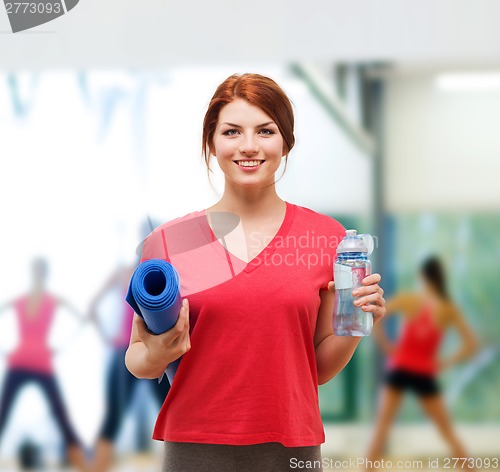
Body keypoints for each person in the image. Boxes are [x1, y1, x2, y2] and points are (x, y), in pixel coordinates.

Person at [125, 73, 386, 472]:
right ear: (212, 143)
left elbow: (314, 371)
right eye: (232, 132)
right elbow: (137, 359)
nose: (249, 146)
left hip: (290, 447)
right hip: (195, 446)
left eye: (265, 131)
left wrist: (356, 322)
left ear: (286, 142)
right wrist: (158, 353)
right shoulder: (170, 241)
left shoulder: (326, 238)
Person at [367, 256, 478, 469]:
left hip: (400, 368)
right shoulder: (448, 309)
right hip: (424, 372)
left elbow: (376, 315)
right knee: (446, 430)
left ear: (423, 277)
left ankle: (368, 468)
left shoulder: (410, 300)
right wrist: (446, 362)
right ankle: (470, 468)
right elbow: (470, 344)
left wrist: (388, 348)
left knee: (382, 426)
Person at [0, 257, 90, 471]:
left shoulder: (48, 300)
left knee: (61, 416)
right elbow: (82, 319)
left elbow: (82, 318)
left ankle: (83, 464)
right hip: (22, 361)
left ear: (42, 273)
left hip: (39, 362)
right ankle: (83, 462)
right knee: (4, 414)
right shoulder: (22, 300)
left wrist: (61, 347)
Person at [88, 260, 170, 472]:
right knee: (115, 416)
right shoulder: (123, 272)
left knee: (169, 411)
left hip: (154, 351)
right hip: (124, 351)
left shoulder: (163, 273)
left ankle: (165, 466)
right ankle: (98, 467)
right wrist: (107, 337)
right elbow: (92, 306)